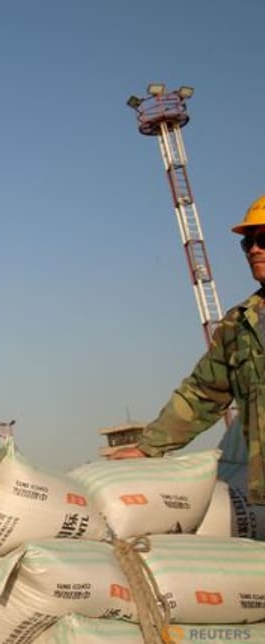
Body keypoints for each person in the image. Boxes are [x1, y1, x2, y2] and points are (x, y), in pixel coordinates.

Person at [112, 195, 265, 505]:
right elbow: (202, 394)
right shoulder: (239, 326)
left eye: (263, 239)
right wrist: (147, 447)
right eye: (247, 243)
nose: (254, 250)